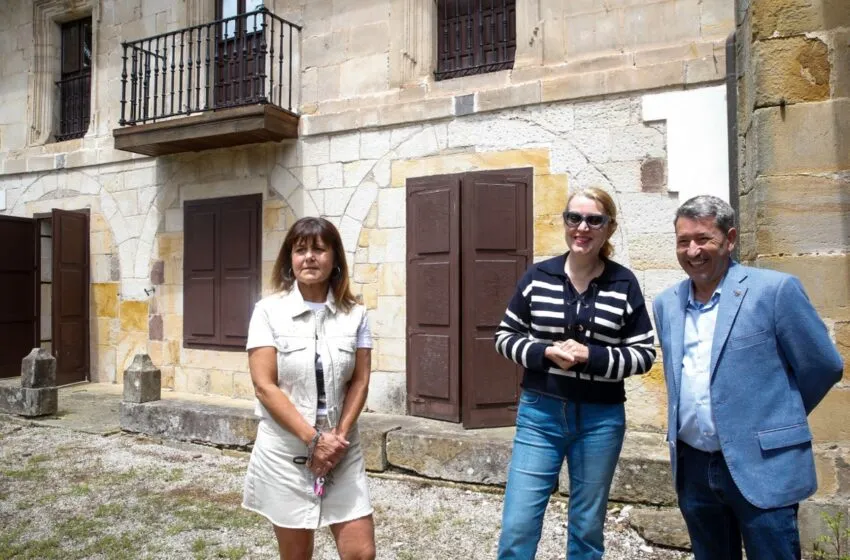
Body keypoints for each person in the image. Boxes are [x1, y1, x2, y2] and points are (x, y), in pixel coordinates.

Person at [653, 195, 844, 560]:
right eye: (683, 241)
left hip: (763, 462)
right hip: (693, 466)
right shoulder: (667, 303)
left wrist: (776, 417)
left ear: (730, 239)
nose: (692, 250)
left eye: (704, 239)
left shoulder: (774, 290)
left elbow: (823, 365)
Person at [494, 187, 657, 560]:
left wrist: (592, 357)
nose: (582, 227)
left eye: (594, 220)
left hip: (601, 419)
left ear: (608, 228)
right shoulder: (538, 277)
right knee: (518, 524)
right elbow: (504, 337)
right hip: (540, 413)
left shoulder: (623, 283)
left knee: (586, 527)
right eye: (574, 218)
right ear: (565, 223)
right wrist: (544, 352)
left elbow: (644, 354)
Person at [242, 217, 376, 560]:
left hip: (341, 447)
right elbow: (264, 385)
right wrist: (313, 440)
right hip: (285, 450)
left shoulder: (356, 314)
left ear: (335, 259)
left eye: (319, 249)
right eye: (300, 250)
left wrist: (336, 439)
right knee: (297, 555)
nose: (309, 257)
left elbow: (360, 380)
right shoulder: (267, 312)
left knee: (361, 552)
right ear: (290, 260)